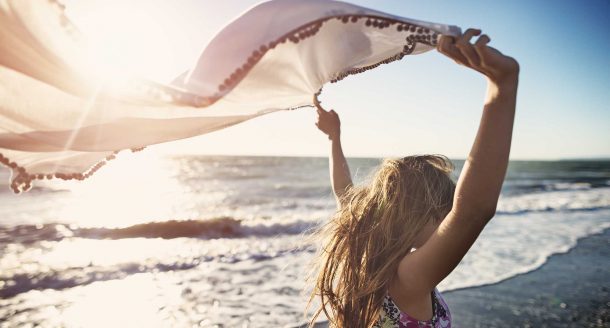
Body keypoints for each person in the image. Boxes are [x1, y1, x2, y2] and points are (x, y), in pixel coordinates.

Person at [309, 28, 519, 328]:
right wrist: (502, 86)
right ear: (417, 215)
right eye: (443, 212)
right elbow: (472, 211)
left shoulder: (367, 265)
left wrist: (334, 138)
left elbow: (345, 194)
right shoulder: (408, 279)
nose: (447, 220)